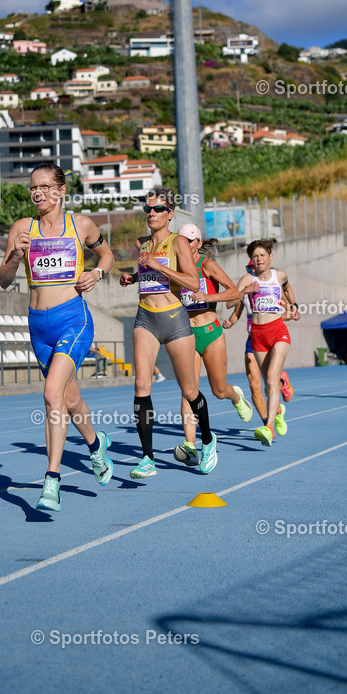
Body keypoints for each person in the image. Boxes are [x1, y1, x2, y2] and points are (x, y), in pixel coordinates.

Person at [0, 164, 114, 512]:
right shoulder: (22, 228)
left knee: (51, 395)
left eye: (46, 186)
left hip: (72, 320)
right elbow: (4, 279)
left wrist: (96, 273)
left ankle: (52, 480)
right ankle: (96, 446)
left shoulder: (81, 225)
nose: (38, 193)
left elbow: (107, 255)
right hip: (39, 326)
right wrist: (16, 255)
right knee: (70, 399)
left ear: (62, 191)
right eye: (33, 187)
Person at [119, 188, 217, 478]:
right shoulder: (143, 244)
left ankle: (208, 440)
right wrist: (133, 277)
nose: (151, 213)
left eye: (158, 209)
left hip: (174, 319)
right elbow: (148, 273)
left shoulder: (179, 243)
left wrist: (158, 265)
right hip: (145, 318)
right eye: (148, 209)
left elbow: (193, 283)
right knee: (141, 386)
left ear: (170, 214)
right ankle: (147, 458)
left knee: (189, 390)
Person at [173, 224, 251, 466]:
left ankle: (235, 396)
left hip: (210, 334)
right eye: (181, 240)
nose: (184, 244)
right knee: (188, 391)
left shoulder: (206, 265)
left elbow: (234, 293)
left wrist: (209, 297)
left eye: (189, 240)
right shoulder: (176, 267)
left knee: (218, 391)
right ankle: (190, 445)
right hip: (186, 334)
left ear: (198, 243)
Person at [234, 240, 300, 447]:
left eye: (262, 255)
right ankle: (278, 406)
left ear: (270, 257)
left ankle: (268, 428)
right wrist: (245, 291)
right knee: (268, 385)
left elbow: (287, 289)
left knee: (271, 380)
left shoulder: (279, 276)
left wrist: (294, 306)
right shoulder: (248, 279)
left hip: (278, 331)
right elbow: (231, 302)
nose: (259, 259)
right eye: (255, 256)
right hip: (257, 335)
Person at [226, 260, 295, 425]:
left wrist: (274, 317)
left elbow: (290, 311)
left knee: (269, 385)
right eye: (248, 269)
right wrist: (230, 322)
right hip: (253, 338)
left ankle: (282, 382)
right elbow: (235, 313)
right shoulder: (245, 291)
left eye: (253, 269)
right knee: (254, 383)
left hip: (272, 334)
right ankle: (267, 425)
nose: (252, 272)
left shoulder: (273, 288)